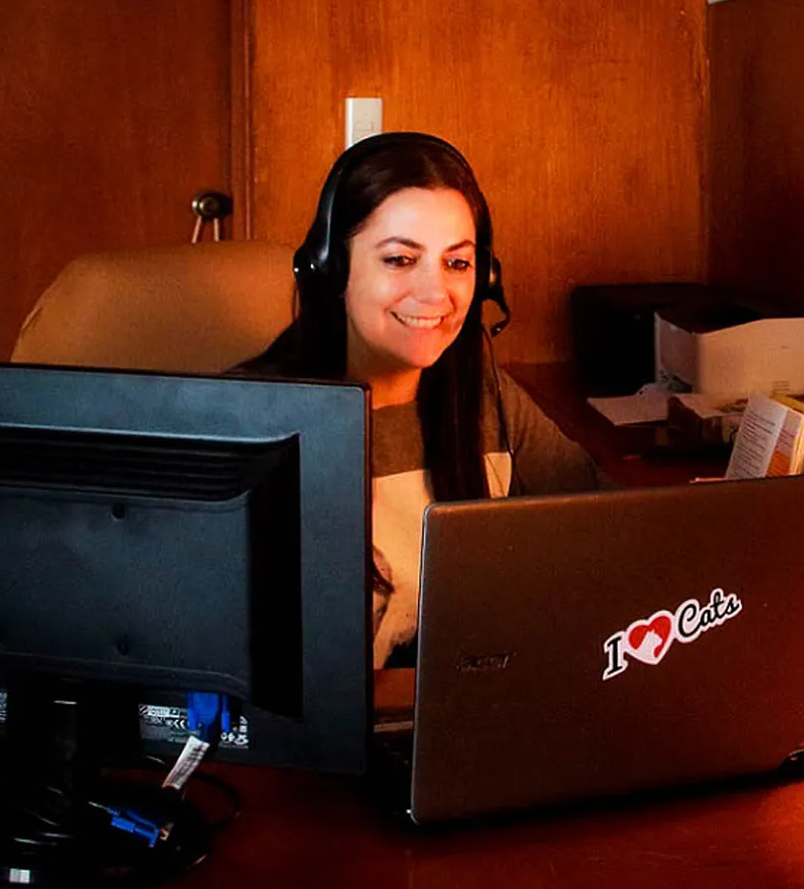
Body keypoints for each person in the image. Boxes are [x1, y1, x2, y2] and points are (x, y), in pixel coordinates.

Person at [243, 132, 606, 667]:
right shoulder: (249, 422)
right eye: (399, 260)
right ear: (331, 270)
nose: (436, 295)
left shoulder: (483, 394)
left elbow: (610, 525)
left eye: (457, 264)